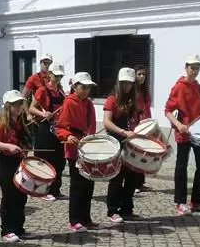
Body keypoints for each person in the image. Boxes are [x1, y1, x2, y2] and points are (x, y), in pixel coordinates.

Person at [164, 54, 200, 215]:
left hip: (199, 132)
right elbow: (168, 111)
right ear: (186, 67)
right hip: (184, 132)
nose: (195, 71)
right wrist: (178, 124)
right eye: (193, 67)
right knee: (181, 166)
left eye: (198, 68)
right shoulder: (178, 87)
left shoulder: (199, 87)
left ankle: (196, 201)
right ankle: (180, 202)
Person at [55, 72, 99, 232]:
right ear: (75, 87)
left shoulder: (89, 104)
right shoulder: (69, 103)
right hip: (74, 149)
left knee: (89, 184)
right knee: (77, 185)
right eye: (83, 87)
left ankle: (86, 218)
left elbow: (92, 125)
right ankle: (74, 220)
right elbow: (60, 127)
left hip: (88, 147)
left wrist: (92, 140)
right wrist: (69, 135)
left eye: (88, 87)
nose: (86, 90)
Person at [0, 91, 31, 242]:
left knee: (21, 196)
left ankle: (19, 228)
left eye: (20, 104)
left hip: (19, 163)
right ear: (8, 106)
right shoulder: (2, 125)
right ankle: (7, 230)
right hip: (6, 164)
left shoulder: (20, 123)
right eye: (15, 104)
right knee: (9, 197)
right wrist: (8, 146)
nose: (19, 107)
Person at [103, 68, 143, 223]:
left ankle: (127, 208)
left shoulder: (134, 100)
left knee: (132, 177)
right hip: (116, 140)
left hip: (130, 141)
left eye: (129, 83)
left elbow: (136, 120)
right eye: (124, 83)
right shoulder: (111, 99)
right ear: (119, 83)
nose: (126, 86)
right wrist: (122, 132)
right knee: (117, 177)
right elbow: (107, 122)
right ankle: (112, 210)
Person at [28, 63, 66, 201]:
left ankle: (56, 190)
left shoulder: (61, 91)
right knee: (46, 159)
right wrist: (43, 114)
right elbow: (32, 108)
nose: (58, 78)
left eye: (60, 76)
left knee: (59, 160)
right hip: (45, 128)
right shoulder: (42, 90)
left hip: (58, 129)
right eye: (56, 76)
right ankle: (43, 191)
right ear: (50, 74)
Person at [133, 65, 152, 193]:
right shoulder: (132, 92)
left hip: (144, 125)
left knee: (143, 155)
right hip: (135, 126)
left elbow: (147, 109)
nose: (141, 77)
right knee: (135, 155)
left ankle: (140, 182)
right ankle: (134, 183)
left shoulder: (145, 92)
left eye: (143, 75)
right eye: (139, 74)